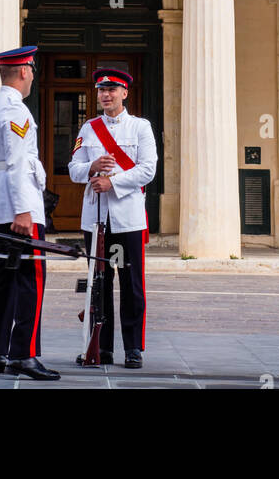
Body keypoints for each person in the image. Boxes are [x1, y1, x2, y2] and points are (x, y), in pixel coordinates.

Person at [0, 45, 60, 381]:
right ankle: (24, 354)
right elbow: (16, 163)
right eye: (33, 70)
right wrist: (24, 210)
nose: (33, 76)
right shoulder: (16, 111)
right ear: (24, 71)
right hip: (17, 212)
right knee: (31, 280)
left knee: (5, 280)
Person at [69, 67, 157, 368]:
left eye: (111, 90)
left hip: (127, 219)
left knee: (130, 284)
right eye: (101, 90)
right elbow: (73, 169)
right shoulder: (89, 128)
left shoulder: (140, 127)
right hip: (96, 218)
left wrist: (113, 181)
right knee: (99, 284)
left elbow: (148, 169)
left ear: (124, 93)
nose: (105, 95)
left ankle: (134, 348)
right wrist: (92, 166)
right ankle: (100, 347)